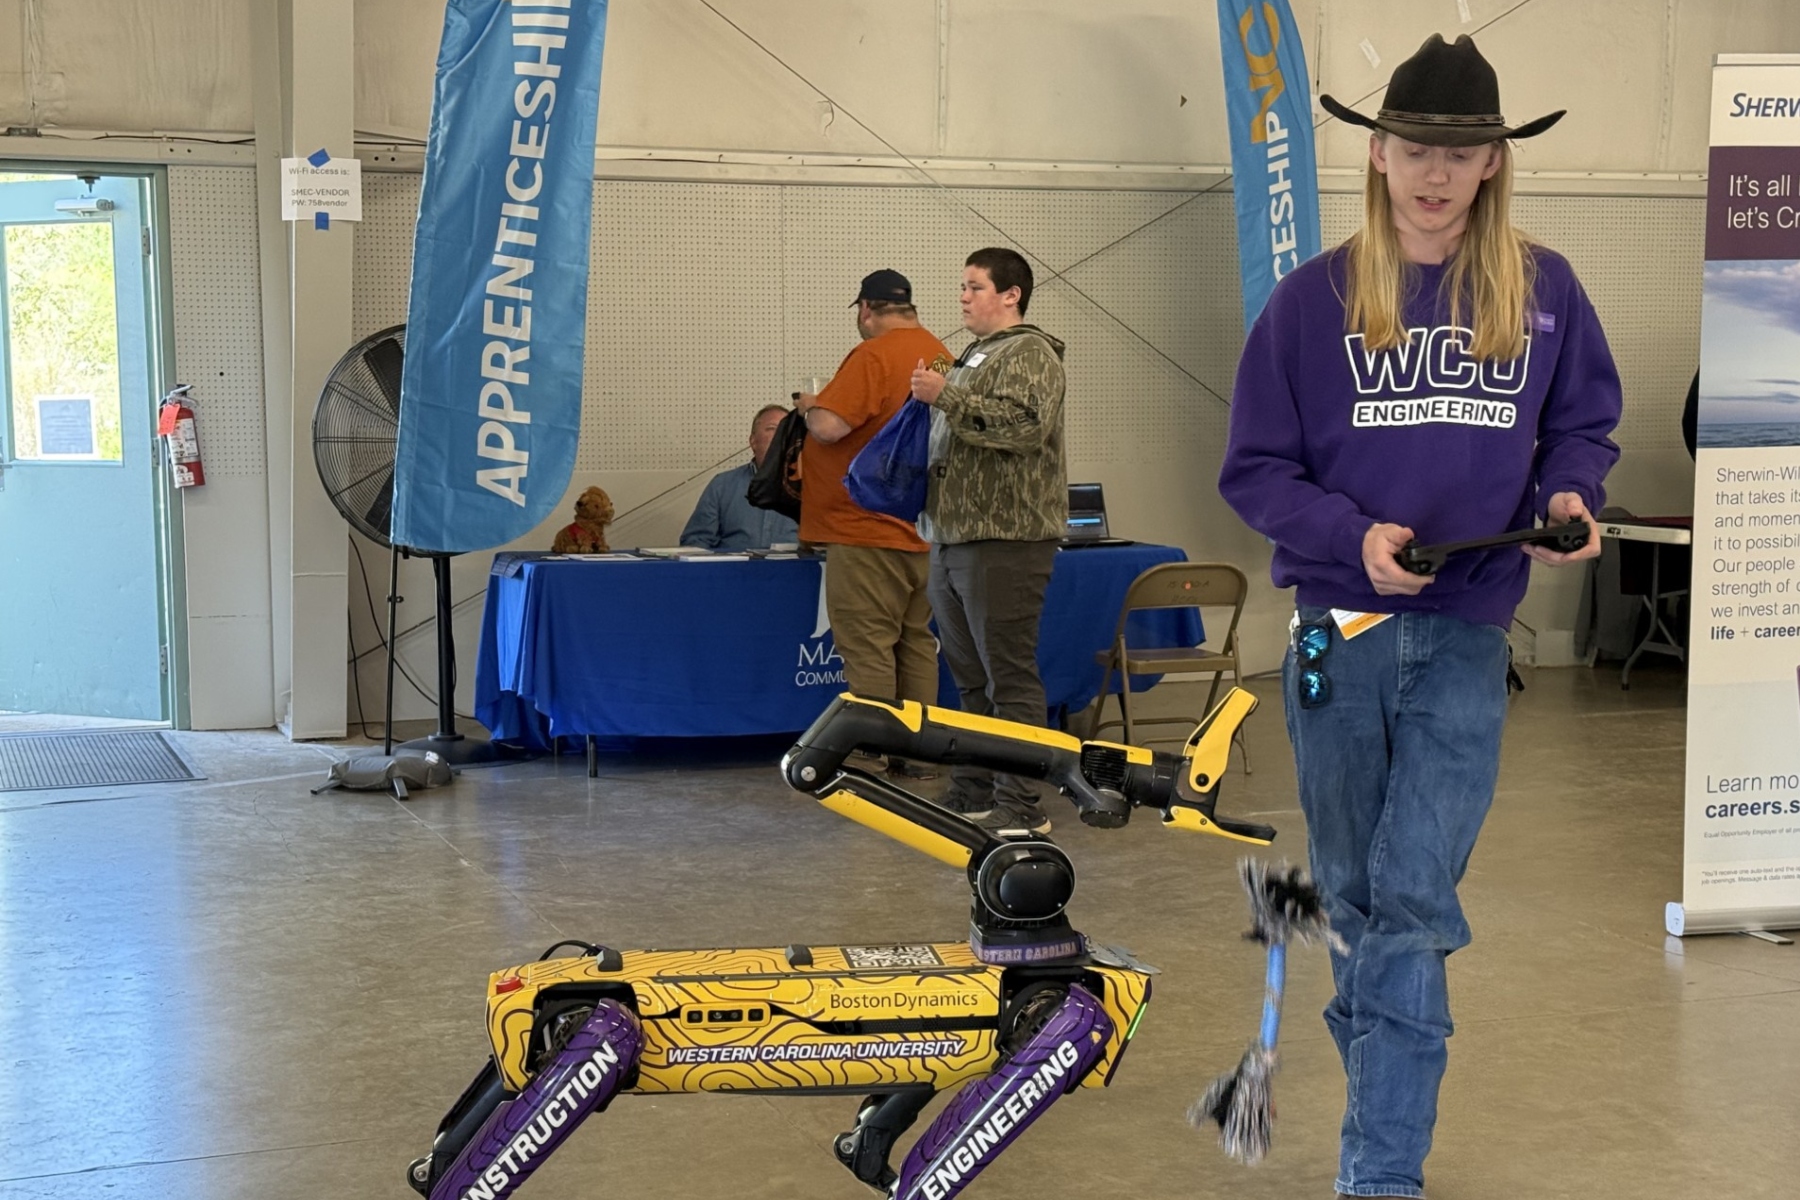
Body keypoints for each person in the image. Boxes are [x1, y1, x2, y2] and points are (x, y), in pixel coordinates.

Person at [1219, 35, 1620, 1200]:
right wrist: (1353, 539)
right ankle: (1386, 1134)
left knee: (1409, 901)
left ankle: (1380, 1176)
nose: (1435, 172)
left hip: (1465, 640)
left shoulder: (1545, 292)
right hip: (1336, 644)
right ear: (1379, 154)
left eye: (1461, 151)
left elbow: (1581, 429)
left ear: (1495, 163)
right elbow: (1253, 470)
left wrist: (1569, 495)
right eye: (1413, 148)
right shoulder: (1310, 304)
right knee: (1353, 908)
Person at [909, 247, 1067, 834]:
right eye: (963, 286)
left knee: (1009, 676)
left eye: (974, 286)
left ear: (1011, 295)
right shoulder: (975, 355)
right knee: (970, 677)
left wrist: (945, 394)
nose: (963, 297)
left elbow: (1026, 427)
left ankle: (1021, 803)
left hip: (1006, 540)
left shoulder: (1032, 352)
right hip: (953, 537)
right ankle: (975, 788)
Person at [794, 270, 951, 780]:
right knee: (916, 641)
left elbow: (830, 425)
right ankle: (920, 753)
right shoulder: (941, 353)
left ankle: (870, 753)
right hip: (923, 531)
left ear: (865, 309)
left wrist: (808, 407)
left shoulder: (873, 354)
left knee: (867, 643)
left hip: (864, 527)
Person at [679, 404, 800, 551]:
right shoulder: (722, 485)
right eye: (772, 429)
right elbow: (696, 542)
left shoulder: (810, 488)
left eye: (786, 430)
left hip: (793, 571)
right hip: (732, 572)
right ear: (753, 441)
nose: (781, 436)